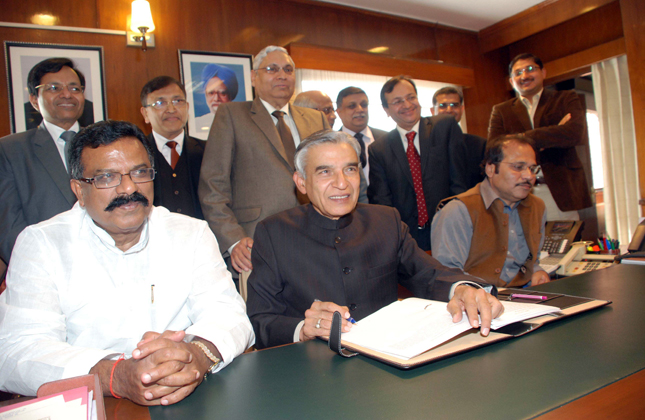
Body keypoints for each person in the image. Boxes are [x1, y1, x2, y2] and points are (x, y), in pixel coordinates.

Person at [0, 120, 254, 405]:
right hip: (93, 403)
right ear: (79, 190)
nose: (129, 188)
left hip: (189, 395)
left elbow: (230, 316)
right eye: (107, 177)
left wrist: (197, 355)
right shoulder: (41, 244)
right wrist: (117, 376)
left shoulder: (190, 232)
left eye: (140, 172)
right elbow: (17, 353)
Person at [246, 130, 502, 349]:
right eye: (325, 172)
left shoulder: (385, 221)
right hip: (311, 366)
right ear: (301, 182)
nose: (341, 183)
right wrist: (303, 328)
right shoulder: (274, 232)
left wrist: (463, 289)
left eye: (350, 169)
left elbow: (429, 274)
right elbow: (260, 319)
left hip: (389, 359)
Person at [199, 45, 329, 275]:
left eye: (288, 69)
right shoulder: (231, 115)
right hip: (255, 242)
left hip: (318, 238)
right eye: (272, 69)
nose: (282, 75)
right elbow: (213, 189)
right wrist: (233, 240)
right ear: (253, 77)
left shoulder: (316, 118)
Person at [432, 134, 549, 287]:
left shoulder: (537, 207)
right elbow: (447, 276)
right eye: (518, 167)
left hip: (525, 299)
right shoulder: (458, 210)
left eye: (533, 169)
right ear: (491, 169)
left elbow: (533, 261)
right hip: (477, 302)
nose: (529, 176)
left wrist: (537, 271)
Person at [0, 58, 85, 267]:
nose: (67, 94)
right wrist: (36, 269)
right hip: (43, 269)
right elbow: (8, 225)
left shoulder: (105, 144)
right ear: (33, 99)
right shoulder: (10, 149)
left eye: (74, 88)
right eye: (54, 88)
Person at [368, 75, 468, 251]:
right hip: (408, 238)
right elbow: (382, 201)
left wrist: (458, 221)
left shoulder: (444, 127)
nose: (407, 105)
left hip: (451, 228)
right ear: (386, 109)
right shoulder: (379, 149)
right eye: (398, 101)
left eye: (411, 97)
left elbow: (459, 180)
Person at [488, 53, 592, 221]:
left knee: (565, 244)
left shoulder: (565, 98)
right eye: (518, 72)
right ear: (511, 81)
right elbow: (494, 147)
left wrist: (522, 139)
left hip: (559, 192)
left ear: (543, 72)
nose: (524, 76)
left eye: (530, 69)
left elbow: (575, 133)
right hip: (518, 192)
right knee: (524, 246)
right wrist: (554, 133)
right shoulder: (501, 110)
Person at [140, 76, 205, 219]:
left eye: (178, 101)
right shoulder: (137, 154)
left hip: (202, 237)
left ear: (187, 108)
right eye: (160, 103)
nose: (171, 109)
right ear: (145, 114)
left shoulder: (207, 151)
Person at [294, 89, 368, 204]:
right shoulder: (297, 148)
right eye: (326, 110)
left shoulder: (345, 146)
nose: (334, 116)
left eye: (349, 169)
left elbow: (362, 195)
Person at [432, 86, 486, 189]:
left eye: (454, 105)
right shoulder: (423, 144)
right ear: (432, 111)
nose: (449, 110)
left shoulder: (480, 145)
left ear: (461, 109)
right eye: (442, 106)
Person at [336, 86, 387, 183]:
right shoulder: (331, 144)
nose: (360, 109)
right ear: (339, 112)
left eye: (364, 105)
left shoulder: (386, 140)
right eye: (352, 106)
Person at [193, 64, 239, 138]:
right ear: (205, 95)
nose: (216, 98)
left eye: (223, 93)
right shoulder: (196, 123)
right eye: (211, 93)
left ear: (231, 95)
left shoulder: (242, 124)